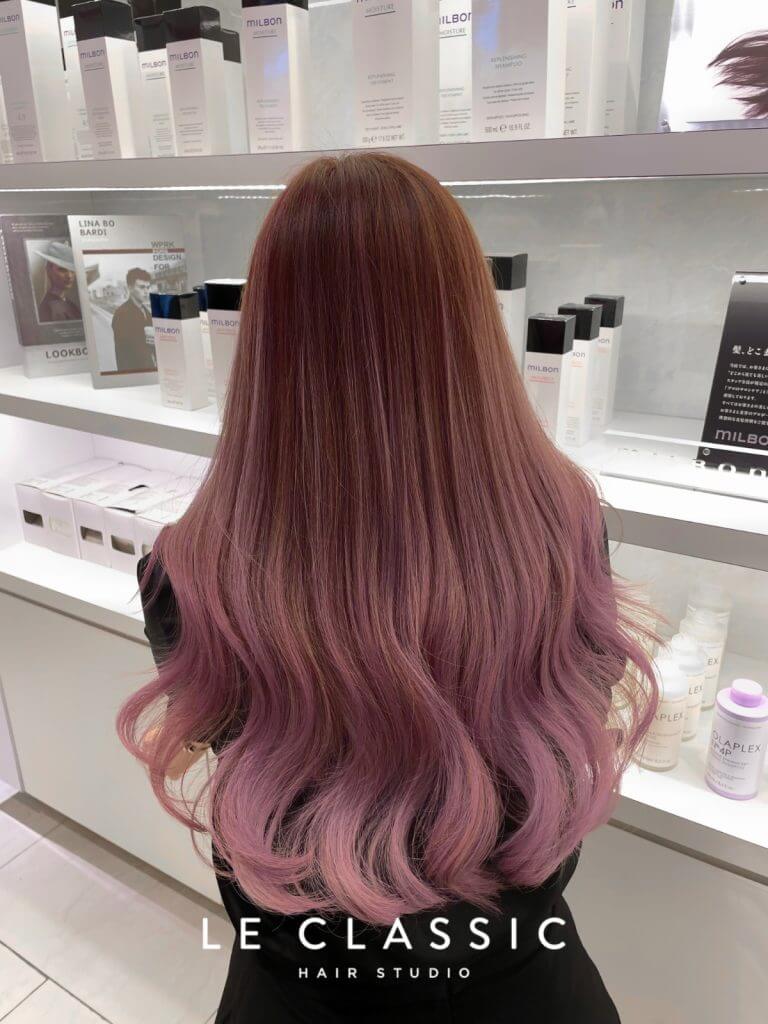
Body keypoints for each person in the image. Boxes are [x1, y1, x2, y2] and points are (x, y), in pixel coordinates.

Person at [118, 153, 658, 1023]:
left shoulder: (190, 572)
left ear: (269, 336)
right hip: (524, 985)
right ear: (468, 320)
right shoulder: (563, 529)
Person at [111, 267, 154, 372]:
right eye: (142, 287)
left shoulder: (147, 312)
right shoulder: (121, 314)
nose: (146, 291)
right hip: (134, 371)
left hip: (149, 369)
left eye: (148, 287)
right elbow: (126, 352)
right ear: (130, 288)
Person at [33, 240, 81, 322]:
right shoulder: (48, 308)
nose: (69, 276)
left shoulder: (70, 304)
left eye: (72, 270)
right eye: (62, 270)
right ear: (49, 270)